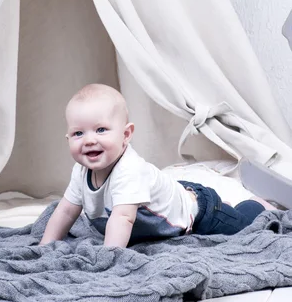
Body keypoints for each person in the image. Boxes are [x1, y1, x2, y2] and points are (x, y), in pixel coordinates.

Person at [40, 84, 274, 247]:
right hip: (167, 194)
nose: (90, 139)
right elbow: (66, 210)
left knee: (241, 227)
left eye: (101, 129)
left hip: (198, 213)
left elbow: (123, 218)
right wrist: (45, 246)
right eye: (79, 133)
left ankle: (254, 205)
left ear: (126, 134)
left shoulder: (128, 170)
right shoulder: (81, 171)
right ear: (68, 139)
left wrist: (109, 259)